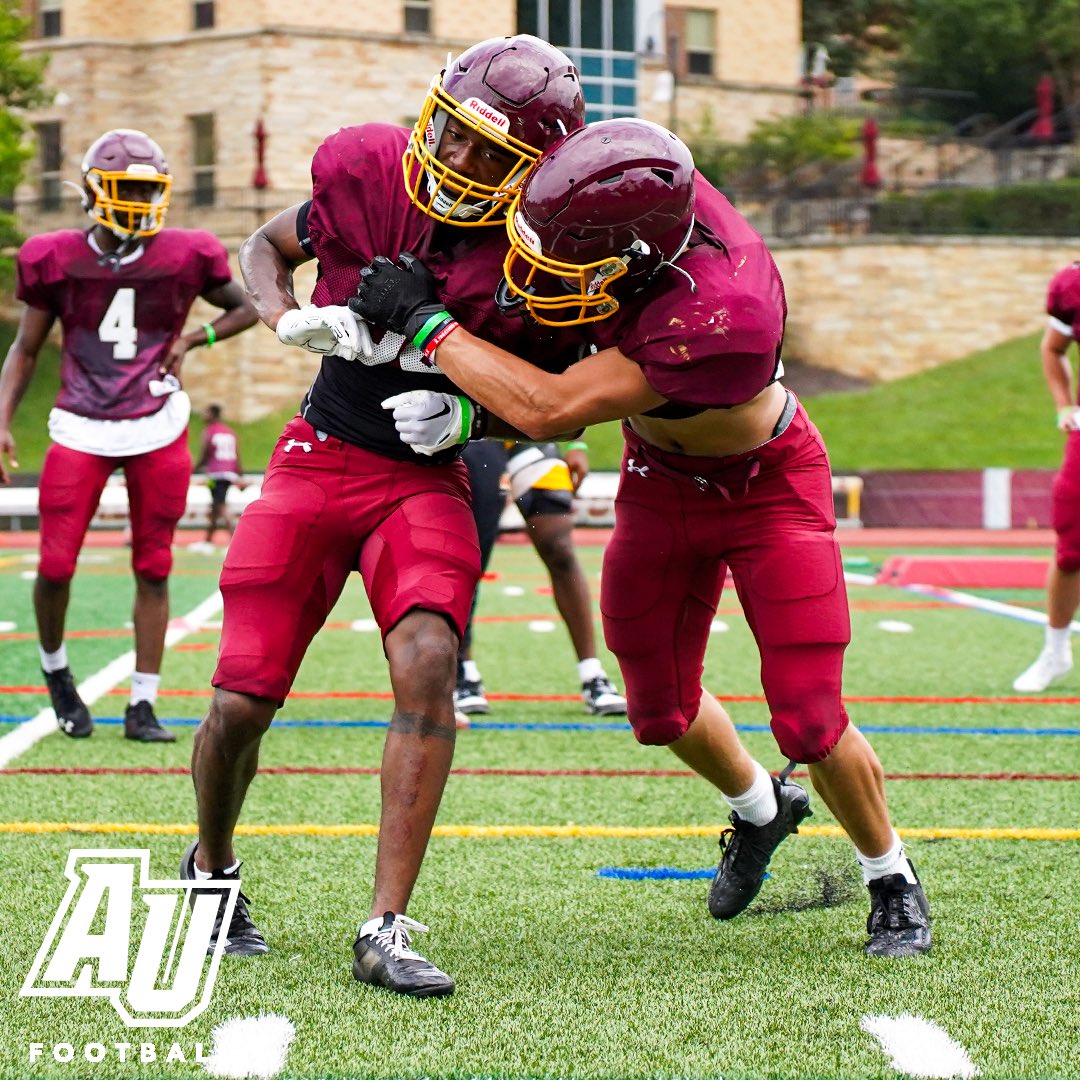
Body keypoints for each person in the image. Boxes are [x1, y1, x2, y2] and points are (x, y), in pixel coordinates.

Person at [351, 118, 932, 959]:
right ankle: (762, 812)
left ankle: (891, 878)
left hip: (767, 486)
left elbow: (556, 408)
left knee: (808, 717)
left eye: (562, 265)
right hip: (659, 481)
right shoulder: (615, 189)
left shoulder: (721, 311)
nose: (535, 278)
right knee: (657, 710)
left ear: (634, 261)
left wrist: (431, 329)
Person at [185, 36, 586, 997]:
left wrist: (473, 413)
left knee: (429, 661)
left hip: (429, 473)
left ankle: (388, 923)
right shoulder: (367, 170)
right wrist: (282, 315)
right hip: (322, 449)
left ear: (534, 171)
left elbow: (563, 387)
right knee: (241, 697)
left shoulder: (541, 250)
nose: (458, 160)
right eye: (452, 131)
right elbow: (266, 243)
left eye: (493, 154)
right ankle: (210, 866)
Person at [0, 128, 257, 743]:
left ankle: (143, 701)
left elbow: (245, 307)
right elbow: (26, 347)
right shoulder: (52, 255)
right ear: (94, 192)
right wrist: (1, 420)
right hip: (82, 421)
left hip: (157, 421)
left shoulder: (187, 252)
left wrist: (194, 338)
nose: (139, 201)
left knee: (154, 564)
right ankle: (57, 672)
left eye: (148, 189)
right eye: (126, 189)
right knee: (56, 565)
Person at [457, 438, 626, 716]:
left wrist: (577, 445)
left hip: (529, 434)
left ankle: (592, 673)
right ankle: (462, 671)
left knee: (558, 547)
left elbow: (571, 392)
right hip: (478, 435)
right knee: (474, 550)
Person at [1013, 261, 1080, 692]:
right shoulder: (1073, 286)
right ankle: (1055, 650)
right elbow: (1053, 346)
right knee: (1071, 543)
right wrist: (1064, 405)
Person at [193, 403, 246, 548]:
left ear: (212, 414)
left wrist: (195, 468)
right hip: (228, 474)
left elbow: (205, 453)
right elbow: (236, 453)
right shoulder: (229, 431)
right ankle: (208, 540)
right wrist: (239, 473)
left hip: (215, 474)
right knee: (215, 506)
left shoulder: (209, 431)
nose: (203, 416)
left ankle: (236, 540)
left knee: (220, 505)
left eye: (206, 412)